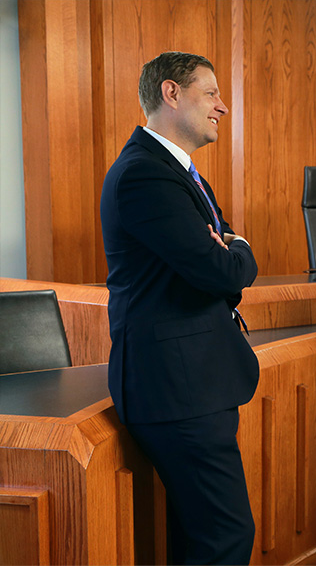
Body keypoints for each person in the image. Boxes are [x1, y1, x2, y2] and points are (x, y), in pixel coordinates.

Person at [100, 51, 259, 565]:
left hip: (191, 384)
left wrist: (225, 249)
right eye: (211, 93)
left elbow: (217, 259)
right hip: (177, 391)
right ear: (171, 93)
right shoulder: (147, 175)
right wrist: (238, 248)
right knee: (225, 538)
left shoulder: (177, 170)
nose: (223, 107)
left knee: (198, 539)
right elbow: (223, 270)